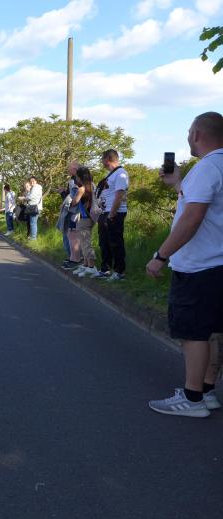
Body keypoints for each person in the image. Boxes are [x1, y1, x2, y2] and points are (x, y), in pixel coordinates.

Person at [146, 111, 223, 418]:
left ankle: (192, 399)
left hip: (199, 265)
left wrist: (161, 256)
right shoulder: (216, 167)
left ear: (197, 135)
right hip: (217, 263)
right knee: (212, 330)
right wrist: (178, 182)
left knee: (194, 333)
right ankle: (206, 392)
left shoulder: (206, 168)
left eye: (189, 132)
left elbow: (192, 217)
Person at [94, 149, 129, 281]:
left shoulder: (121, 174)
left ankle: (119, 272)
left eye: (102, 159)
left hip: (114, 213)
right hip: (105, 212)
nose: (101, 162)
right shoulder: (110, 175)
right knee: (104, 242)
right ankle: (105, 269)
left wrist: (111, 215)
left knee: (115, 242)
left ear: (108, 159)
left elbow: (119, 196)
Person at [70, 167, 99, 277]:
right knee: (84, 242)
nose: (76, 178)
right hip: (91, 217)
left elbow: (74, 202)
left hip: (84, 217)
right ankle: (86, 265)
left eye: (77, 176)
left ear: (80, 177)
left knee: (85, 243)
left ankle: (91, 267)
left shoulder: (81, 189)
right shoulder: (92, 185)